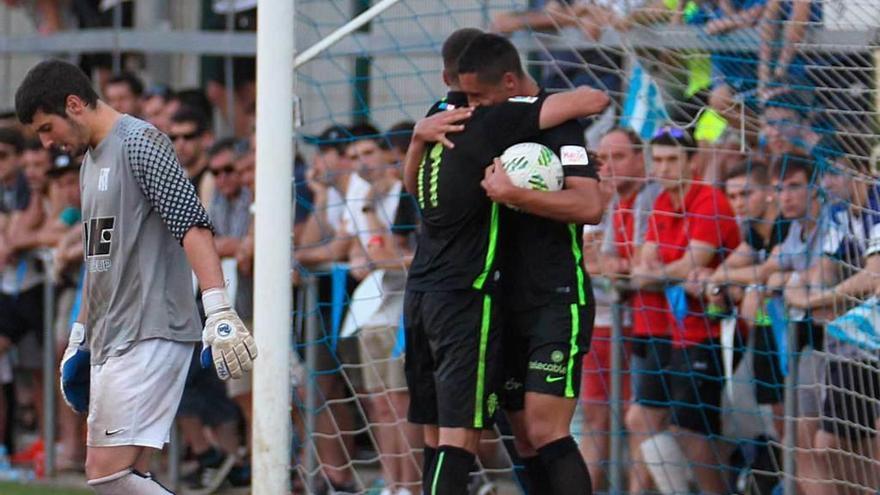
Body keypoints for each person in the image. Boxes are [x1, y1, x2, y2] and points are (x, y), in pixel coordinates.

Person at [14, 58, 256, 494]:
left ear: (73, 104)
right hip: (114, 336)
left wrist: (218, 309)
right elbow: (97, 259)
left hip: (151, 329)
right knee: (128, 477)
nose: (47, 143)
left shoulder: (141, 142)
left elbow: (192, 223)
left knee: (107, 473)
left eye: (47, 128)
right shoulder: (90, 164)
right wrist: (78, 335)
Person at [403, 29, 609, 494]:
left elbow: (589, 206)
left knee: (543, 428)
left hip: (554, 297)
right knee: (521, 436)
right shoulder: (465, 118)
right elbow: (418, 187)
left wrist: (516, 195)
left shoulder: (557, 123)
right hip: (494, 300)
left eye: (478, 94)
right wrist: (417, 140)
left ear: (511, 83)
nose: (469, 104)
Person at [629, 127, 740, 495]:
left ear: (692, 162)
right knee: (641, 420)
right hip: (676, 333)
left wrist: (658, 272)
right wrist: (663, 272)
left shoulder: (710, 200)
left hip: (715, 332)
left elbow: (691, 263)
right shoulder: (661, 201)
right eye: (657, 160)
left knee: (692, 433)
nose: (663, 168)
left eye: (671, 159)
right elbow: (644, 267)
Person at [589, 127, 662, 492]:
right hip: (635, 324)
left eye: (619, 157)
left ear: (640, 159)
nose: (610, 167)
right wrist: (610, 263)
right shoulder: (619, 203)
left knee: (646, 421)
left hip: (662, 325)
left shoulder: (651, 196)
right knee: (626, 418)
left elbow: (633, 265)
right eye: (604, 159)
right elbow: (607, 262)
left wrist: (612, 264)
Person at [169, 106, 215, 207]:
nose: (180, 144)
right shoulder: (179, 179)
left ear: (206, 138)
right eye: (174, 138)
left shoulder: (214, 176)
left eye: (188, 137)